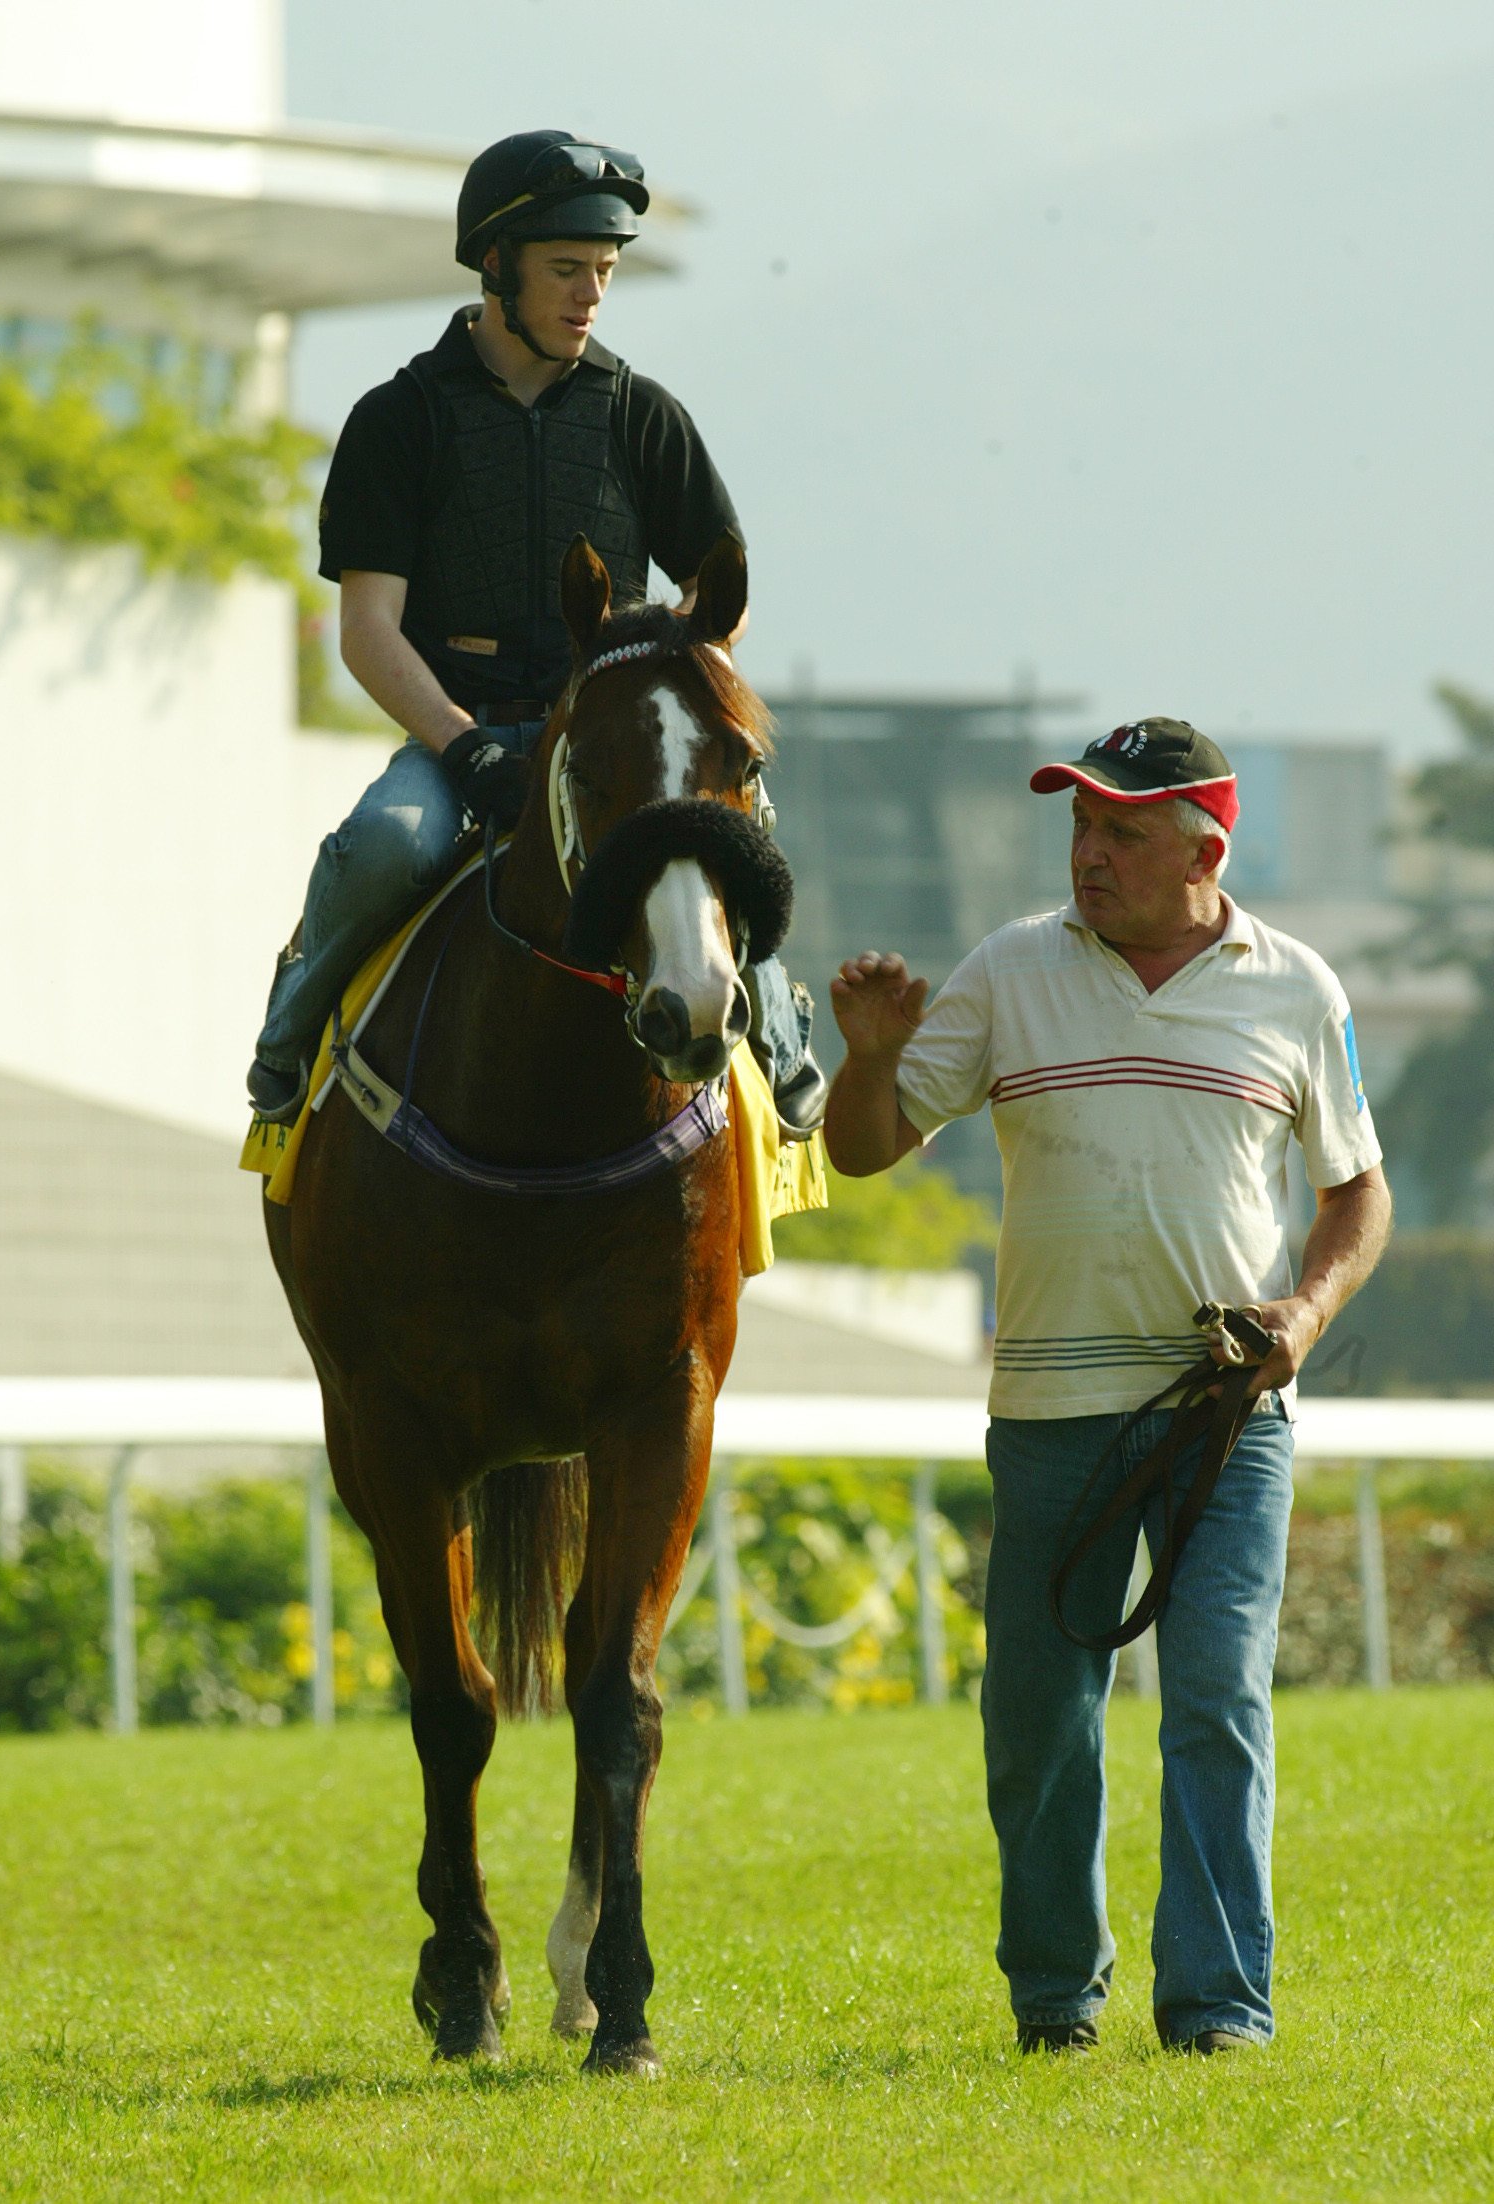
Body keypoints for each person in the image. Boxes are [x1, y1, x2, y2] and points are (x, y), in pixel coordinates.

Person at [824, 717, 1392, 2055]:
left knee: (1216, 1704)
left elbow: (1356, 1190)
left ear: (1207, 845)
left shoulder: (1299, 987)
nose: (1090, 852)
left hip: (1226, 1417)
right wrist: (866, 1055)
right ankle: (1054, 2001)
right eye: (1080, 825)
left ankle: (1217, 2011)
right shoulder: (1009, 970)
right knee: (1040, 1726)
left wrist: (1301, 1320)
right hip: (1047, 1418)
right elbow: (867, 1150)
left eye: (1122, 831)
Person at [248, 128, 824, 1130]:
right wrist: (463, 747)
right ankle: (288, 1040)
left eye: (602, 271)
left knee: (738, 835)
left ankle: (781, 1045)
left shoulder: (644, 416)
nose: (589, 293)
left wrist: (671, 687)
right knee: (387, 845)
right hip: (458, 734)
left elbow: (716, 596)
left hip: (615, 737)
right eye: (566, 269)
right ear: (494, 265)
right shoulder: (398, 419)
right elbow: (368, 631)